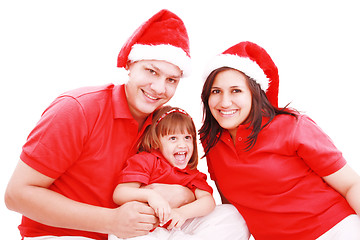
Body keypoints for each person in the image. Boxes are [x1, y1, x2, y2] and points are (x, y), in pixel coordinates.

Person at [5, 9, 195, 240]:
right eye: (151, 71)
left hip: (131, 235)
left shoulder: (162, 123)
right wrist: (111, 221)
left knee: (226, 217)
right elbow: (16, 195)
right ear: (130, 65)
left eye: (171, 80)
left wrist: (184, 194)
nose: (158, 88)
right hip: (58, 236)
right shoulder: (77, 110)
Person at [199, 41, 360, 240]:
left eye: (236, 90)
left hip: (335, 231)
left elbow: (351, 184)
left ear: (255, 93)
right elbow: (233, 209)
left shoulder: (293, 127)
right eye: (216, 91)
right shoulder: (210, 141)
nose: (224, 102)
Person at [109, 105, 216, 240]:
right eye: (173, 138)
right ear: (156, 142)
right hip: (141, 230)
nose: (182, 144)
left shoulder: (191, 173)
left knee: (230, 213)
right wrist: (151, 195)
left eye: (187, 137)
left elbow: (208, 201)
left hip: (172, 229)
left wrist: (182, 213)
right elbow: (120, 194)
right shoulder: (146, 161)